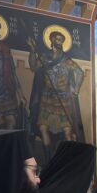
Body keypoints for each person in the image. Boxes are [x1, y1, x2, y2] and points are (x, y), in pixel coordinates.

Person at [28, 31, 85, 162]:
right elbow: (33, 67)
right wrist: (32, 50)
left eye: (62, 40)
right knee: (43, 128)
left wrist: (76, 89)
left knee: (67, 131)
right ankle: (49, 161)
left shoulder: (66, 60)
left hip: (63, 99)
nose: (60, 42)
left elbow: (80, 72)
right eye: (58, 39)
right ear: (52, 40)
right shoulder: (44, 58)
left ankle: (69, 161)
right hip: (47, 99)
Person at [0, 18, 26, 129]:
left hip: (5, 88)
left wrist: (21, 95)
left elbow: (12, 72)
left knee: (12, 121)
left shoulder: (5, 49)